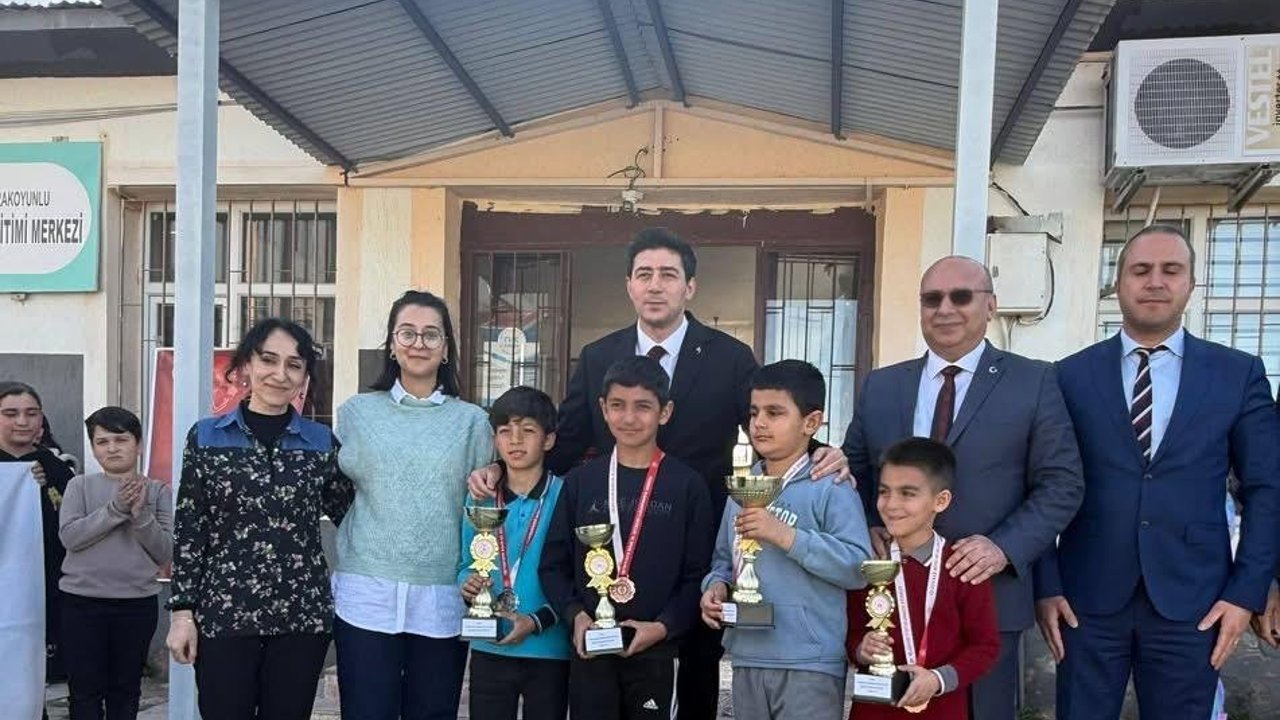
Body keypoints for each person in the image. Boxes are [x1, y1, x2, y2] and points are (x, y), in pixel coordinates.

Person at [472, 228, 848, 719]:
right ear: (629, 285)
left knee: (692, 686)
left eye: (668, 275)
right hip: (609, 549)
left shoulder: (729, 357)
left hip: (691, 543)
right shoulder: (599, 356)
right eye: (644, 274)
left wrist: (821, 453)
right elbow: (565, 440)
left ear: (689, 286)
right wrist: (502, 468)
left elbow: (767, 429)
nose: (655, 285)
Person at [1034, 225, 1280, 719]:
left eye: (1171, 270)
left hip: (1195, 601)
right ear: (1118, 282)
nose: (1155, 282)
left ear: (1191, 284)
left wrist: (1246, 592)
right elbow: (1042, 485)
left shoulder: (1238, 373)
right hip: (1085, 600)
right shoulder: (1068, 375)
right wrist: (1046, 584)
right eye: (1141, 270)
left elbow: (1266, 489)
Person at [841, 255, 1083, 720]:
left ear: (990, 305)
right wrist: (868, 522)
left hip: (987, 595)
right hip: (891, 601)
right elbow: (855, 473)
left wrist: (1003, 547)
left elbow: (1062, 483)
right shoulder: (883, 386)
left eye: (961, 297)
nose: (945, 309)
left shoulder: (1033, 381)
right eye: (932, 299)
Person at [164, 318, 351, 720]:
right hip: (224, 616)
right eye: (269, 360)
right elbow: (190, 529)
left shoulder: (321, 443)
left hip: (300, 618)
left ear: (304, 376)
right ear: (247, 364)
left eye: (294, 365)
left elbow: (354, 518)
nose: (280, 374)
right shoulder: (207, 437)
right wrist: (182, 613)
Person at [332, 290, 493, 720]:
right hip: (366, 592)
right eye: (407, 333)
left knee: (433, 712)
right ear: (391, 343)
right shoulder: (355, 414)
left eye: (431, 334)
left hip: (442, 595)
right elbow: (338, 491)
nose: (418, 343)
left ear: (446, 348)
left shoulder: (473, 422)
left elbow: (483, 504)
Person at [539, 355, 714, 720]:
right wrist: (576, 616)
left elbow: (697, 574)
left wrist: (663, 626)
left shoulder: (687, 485)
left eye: (643, 406)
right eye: (618, 405)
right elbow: (553, 565)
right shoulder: (581, 482)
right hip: (591, 649)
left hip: (658, 653)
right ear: (603, 409)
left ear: (665, 412)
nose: (629, 418)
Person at [699, 360, 871, 720]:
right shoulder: (741, 486)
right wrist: (715, 587)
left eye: (774, 412)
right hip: (746, 654)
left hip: (809, 661)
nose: (759, 423)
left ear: (811, 422)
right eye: (754, 412)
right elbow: (723, 560)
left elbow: (859, 567)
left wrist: (786, 536)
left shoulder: (831, 485)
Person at [848, 438, 1000, 720]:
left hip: (942, 710)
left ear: (940, 501)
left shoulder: (961, 566)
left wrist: (939, 679)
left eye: (907, 494)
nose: (891, 504)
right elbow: (850, 630)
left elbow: (985, 645)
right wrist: (860, 648)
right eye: (884, 492)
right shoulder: (870, 563)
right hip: (873, 710)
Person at [458, 386, 572, 720]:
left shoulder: (567, 495)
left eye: (528, 430)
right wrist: (468, 586)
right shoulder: (480, 497)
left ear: (549, 440)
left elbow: (575, 578)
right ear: (495, 440)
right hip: (489, 644)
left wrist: (537, 621)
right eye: (505, 431)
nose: (516, 440)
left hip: (549, 647)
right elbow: (465, 563)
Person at [58, 406, 173, 720]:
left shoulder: (157, 491)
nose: (112, 448)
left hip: (136, 604)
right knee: (84, 691)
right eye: (102, 441)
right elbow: (71, 537)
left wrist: (140, 515)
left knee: (126, 689)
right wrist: (117, 509)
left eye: (121, 440)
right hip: (81, 603)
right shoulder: (79, 486)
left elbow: (165, 552)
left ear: (138, 444)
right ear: (94, 447)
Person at [0, 381, 76, 695]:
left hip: (44, 588)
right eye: (11, 414)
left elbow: (73, 527)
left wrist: (44, 492)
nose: (22, 421)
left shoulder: (56, 467)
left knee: (31, 678)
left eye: (31, 413)